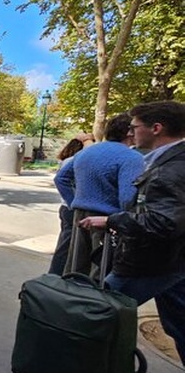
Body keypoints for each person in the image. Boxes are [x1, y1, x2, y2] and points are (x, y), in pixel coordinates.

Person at [79, 101, 185, 363]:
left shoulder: (169, 169)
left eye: (136, 127)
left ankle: (77, 372)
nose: (132, 132)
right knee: (179, 326)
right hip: (172, 260)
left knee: (98, 310)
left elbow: (161, 221)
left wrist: (113, 220)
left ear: (156, 128)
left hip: (152, 261)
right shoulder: (167, 161)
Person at [54, 113, 143, 278]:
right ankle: (94, 302)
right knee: (101, 271)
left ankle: (70, 299)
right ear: (129, 132)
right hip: (107, 220)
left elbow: (61, 178)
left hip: (80, 215)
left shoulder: (85, 153)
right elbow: (127, 198)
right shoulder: (132, 157)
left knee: (76, 266)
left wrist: (74, 202)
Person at [48, 138, 86, 275]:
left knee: (65, 244)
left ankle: (56, 275)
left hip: (65, 206)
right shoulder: (75, 161)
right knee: (67, 246)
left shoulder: (66, 160)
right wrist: (73, 203)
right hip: (71, 207)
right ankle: (56, 275)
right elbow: (61, 180)